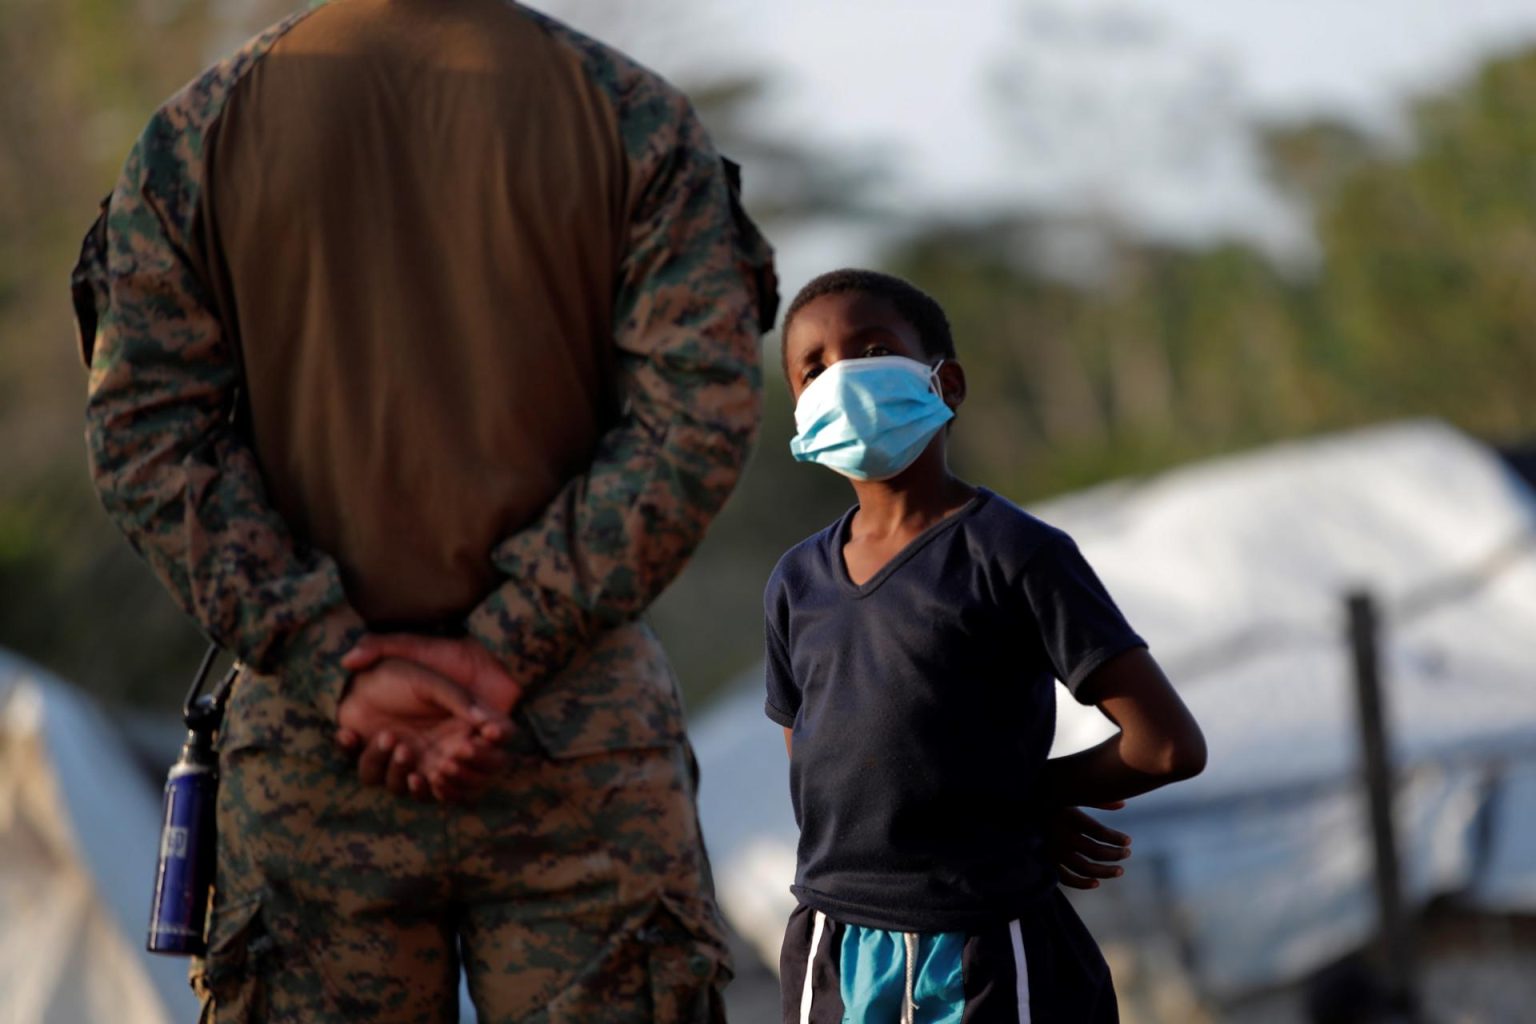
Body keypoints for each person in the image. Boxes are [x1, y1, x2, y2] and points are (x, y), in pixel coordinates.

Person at [71, 0, 775, 1020]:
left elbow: (147, 434)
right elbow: (696, 419)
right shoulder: (630, 117)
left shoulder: (200, 132)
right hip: (579, 752)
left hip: (315, 757)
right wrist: (509, 647)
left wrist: (335, 660)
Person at [764, 269, 1206, 1023]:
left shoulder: (1015, 553)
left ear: (948, 383)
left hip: (985, 946)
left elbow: (1166, 745)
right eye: (815, 368)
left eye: (872, 351)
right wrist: (964, 799)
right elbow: (812, 754)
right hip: (832, 944)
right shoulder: (795, 580)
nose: (843, 379)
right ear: (801, 411)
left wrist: (1025, 796)